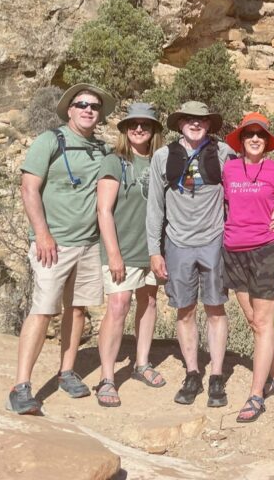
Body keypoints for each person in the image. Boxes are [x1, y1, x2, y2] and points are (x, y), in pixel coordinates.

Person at [8, 83, 115, 415]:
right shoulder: (49, 141)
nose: (88, 110)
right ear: (69, 109)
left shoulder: (101, 149)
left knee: (78, 308)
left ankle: (67, 371)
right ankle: (21, 386)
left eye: (94, 106)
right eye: (81, 104)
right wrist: (42, 234)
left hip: (88, 244)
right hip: (53, 244)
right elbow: (29, 189)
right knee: (43, 309)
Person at [146, 101, 235, 407]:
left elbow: (242, 191)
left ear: (209, 124)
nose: (196, 124)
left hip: (213, 242)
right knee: (184, 310)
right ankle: (193, 372)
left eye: (202, 120)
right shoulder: (163, 156)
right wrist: (154, 251)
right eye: (190, 119)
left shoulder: (223, 153)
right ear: (180, 123)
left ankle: (217, 376)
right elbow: (155, 207)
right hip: (177, 245)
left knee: (215, 308)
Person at [221, 112, 274, 423]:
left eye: (260, 135)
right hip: (234, 251)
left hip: (267, 251)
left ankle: (256, 395)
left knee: (263, 324)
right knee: (254, 321)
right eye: (249, 134)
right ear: (241, 139)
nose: (255, 139)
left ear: (267, 141)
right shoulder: (229, 169)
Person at [93, 103, 166, 407]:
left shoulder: (160, 161)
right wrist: (113, 254)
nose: (139, 129)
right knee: (119, 305)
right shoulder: (115, 161)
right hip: (121, 248)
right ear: (125, 129)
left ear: (153, 131)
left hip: (151, 249)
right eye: (133, 125)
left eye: (145, 125)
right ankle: (107, 377)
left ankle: (141, 363)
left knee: (148, 301)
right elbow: (104, 210)